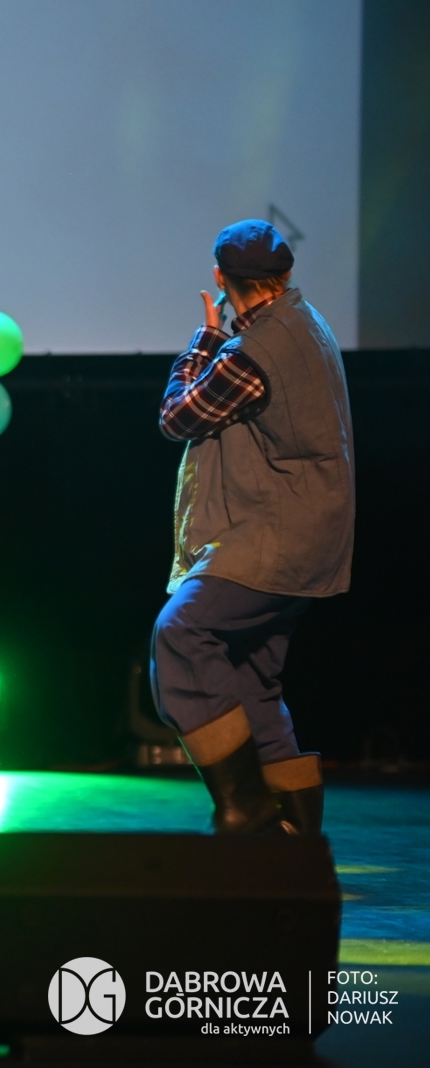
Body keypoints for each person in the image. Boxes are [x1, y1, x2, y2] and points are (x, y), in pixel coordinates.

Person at [151, 220, 353, 837]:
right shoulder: (306, 322)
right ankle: (296, 835)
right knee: (250, 677)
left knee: (182, 634)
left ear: (220, 277)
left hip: (272, 538)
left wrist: (205, 339)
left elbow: (178, 416)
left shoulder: (254, 351)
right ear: (286, 274)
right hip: (308, 538)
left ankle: (245, 809)